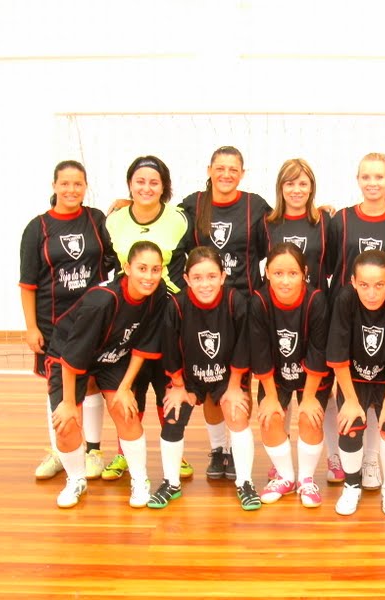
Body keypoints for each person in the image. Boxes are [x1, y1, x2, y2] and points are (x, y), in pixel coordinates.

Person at [47, 241, 166, 509]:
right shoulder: (102, 301)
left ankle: (140, 479)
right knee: (66, 424)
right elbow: (73, 355)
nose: (149, 276)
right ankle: (76, 480)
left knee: (126, 410)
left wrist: (124, 388)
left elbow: (143, 345)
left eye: (155, 269)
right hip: (68, 358)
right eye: (142, 268)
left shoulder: (158, 294)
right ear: (127, 268)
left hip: (113, 355)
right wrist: (69, 403)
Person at [179, 146, 272, 480]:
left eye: (233, 169)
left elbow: (280, 230)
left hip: (243, 306)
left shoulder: (255, 205)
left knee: (239, 381)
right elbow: (160, 219)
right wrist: (126, 204)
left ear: (242, 173)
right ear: (209, 169)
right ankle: (219, 450)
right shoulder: (193, 205)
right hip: (205, 308)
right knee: (211, 379)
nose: (226, 174)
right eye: (220, 167)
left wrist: (319, 211)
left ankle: (235, 447)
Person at [20, 160, 116, 481]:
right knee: (57, 386)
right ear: (54, 186)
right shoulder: (38, 228)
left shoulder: (96, 220)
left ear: (85, 186)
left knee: (91, 383)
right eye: (65, 183)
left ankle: (93, 451)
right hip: (53, 323)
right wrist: (31, 327)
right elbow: (28, 283)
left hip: (93, 321)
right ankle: (60, 451)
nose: (71, 189)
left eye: (78, 184)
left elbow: (115, 256)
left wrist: (125, 205)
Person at [104, 155, 192, 481]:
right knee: (131, 386)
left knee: (167, 384)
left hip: (168, 315)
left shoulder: (180, 219)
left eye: (154, 182)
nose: (146, 187)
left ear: (164, 186)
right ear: (129, 184)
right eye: (139, 181)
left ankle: (175, 452)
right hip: (130, 316)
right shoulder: (113, 220)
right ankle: (124, 453)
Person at [326, 152, 385, 491]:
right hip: (345, 315)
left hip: (383, 316)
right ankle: (338, 458)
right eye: (366, 176)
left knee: (379, 389)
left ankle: (371, 460)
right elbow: (327, 266)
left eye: (379, 176)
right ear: (358, 180)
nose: (372, 183)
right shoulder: (341, 220)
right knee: (345, 390)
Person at [261, 158, 343, 484]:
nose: (296, 190)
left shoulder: (325, 221)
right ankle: (281, 458)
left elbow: (333, 263)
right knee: (283, 383)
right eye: (290, 183)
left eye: (303, 183)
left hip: (317, 314)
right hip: (280, 314)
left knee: (323, 389)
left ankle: (334, 455)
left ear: (312, 188)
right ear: (280, 188)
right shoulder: (267, 222)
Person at [152, 247, 251, 508]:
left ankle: (245, 482)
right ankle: (171, 482)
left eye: (211, 276)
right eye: (197, 278)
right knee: (172, 415)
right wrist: (177, 385)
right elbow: (170, 349)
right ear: (186, 279)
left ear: (223, 276)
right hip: (189, 378)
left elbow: (244, 345)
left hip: (227, 376)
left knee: (237, 412)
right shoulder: (176, 305)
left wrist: (234, 386)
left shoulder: (236, 301)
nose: (205, 284)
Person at [327, 250, 385, 517]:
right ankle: (351, 486)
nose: (372, 293)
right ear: (353, 282)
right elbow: (338, 353)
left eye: (379, 285)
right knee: (350, 426)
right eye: (364, 285)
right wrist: (350, 401)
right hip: (353, 377)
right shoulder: (345, 299)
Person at [250, 243, 331, 508]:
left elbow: (318, 351)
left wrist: (309, 398)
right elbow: (260, 352)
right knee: (270, 417)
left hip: (311, 375)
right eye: (278, 273)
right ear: (267, 273)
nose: (285, 281)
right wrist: (271, 398)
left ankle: (307, 479)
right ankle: (285, 477)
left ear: (304, 273)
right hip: (276, 374)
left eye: (293, 273)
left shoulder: (316, 300)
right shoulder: (259, 301)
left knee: (310, 417)